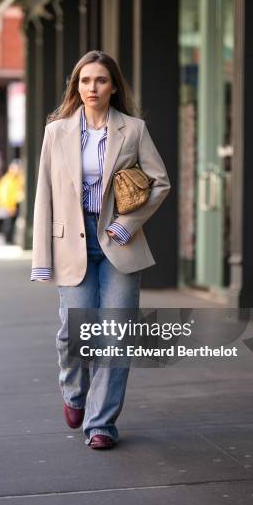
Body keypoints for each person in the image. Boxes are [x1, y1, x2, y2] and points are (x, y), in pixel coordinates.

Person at [31, 50, 170, 449]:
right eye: (85, 80)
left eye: (101, 81)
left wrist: (127, 225)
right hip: (70, 243)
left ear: (114, 87)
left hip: (117, 240)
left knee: (116, 334)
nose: (93, 88)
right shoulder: (56, 132)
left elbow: (160, 182)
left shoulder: (134, 129)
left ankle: (101, 424)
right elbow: (45, 195)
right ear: (76, 86)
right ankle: (74, 393)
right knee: (72, 332)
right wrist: (42, 259)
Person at [0, 159, 25, 244]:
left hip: (15, 204)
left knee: (12, 223)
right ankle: (8, 239)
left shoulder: (18, 178)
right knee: (8, 223)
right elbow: (3, 194)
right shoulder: (7, 180)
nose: (17, 170)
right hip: (10, 205)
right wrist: (8, 206)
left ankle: (11, 239)